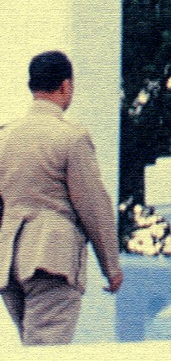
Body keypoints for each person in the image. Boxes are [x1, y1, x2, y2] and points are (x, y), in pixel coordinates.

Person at [0, 50, 123, 345]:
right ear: (66, 85)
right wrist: (111, 267)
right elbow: (93, 206)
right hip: (52, 258)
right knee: (47, 351)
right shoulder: (71, 137)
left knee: (32, 346)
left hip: (9, 259)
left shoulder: (4, 136)